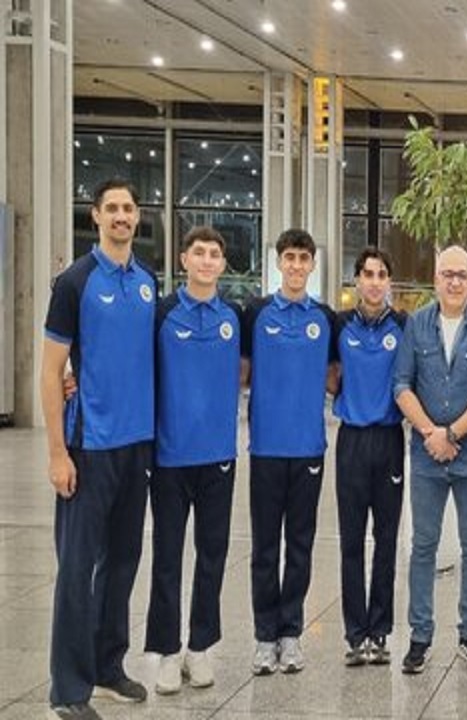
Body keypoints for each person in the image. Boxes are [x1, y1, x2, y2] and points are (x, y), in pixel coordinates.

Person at [42, 178, 156, 720]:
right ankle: (68, 689)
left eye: (128, 208)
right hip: (90, 445)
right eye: (111, 208)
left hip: (137, 447)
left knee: (123, 562)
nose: (121, 216)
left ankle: (108, 665)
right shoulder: (74, 282)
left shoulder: (147, 282)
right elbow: (50, 372)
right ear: (95, 216)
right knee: (77, 568)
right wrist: (56, 452)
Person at [394, 245, 467, 675]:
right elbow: (402, 385)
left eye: (462, 275)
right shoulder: (416, 325)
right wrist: (431, 434)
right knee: (423, 546)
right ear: (435, 279)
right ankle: (420, 637)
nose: (455, 282)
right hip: (426, 457)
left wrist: (452, 434)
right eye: (447, 274)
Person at [146, 227, 243, 695]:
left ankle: (199, 646)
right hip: (169, 457)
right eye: (199, 252)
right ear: (184, 259)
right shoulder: (162, 313)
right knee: (167, 556)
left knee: (212, 554)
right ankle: (167, 651)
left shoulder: (234, 317)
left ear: (223, 264)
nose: (207, 260)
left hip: (219, 457)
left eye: (214, 254)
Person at [241, 229, 338, 676]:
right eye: (290, 258)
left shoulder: (325, 318)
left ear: (313, 264)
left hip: (308, 449)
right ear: (278, 262)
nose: (297, 265)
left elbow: (336, 376)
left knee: (299, 545)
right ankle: (264, 636)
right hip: (266, 447)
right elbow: (241, 371)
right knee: (265, 546)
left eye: (304, 258)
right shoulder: (256, 313)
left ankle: (291, 633)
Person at [332, 247, 408, 667]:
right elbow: (329, 375)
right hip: (352, 441)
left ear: (389, 282)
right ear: (357, 280)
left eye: (382, 274)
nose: (375, 282)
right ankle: (354, 632)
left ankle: (379, 631)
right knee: (350, 540)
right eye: (368, 274)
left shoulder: (403, 326)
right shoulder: (339, 325)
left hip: (389, 440)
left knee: (386, 539)